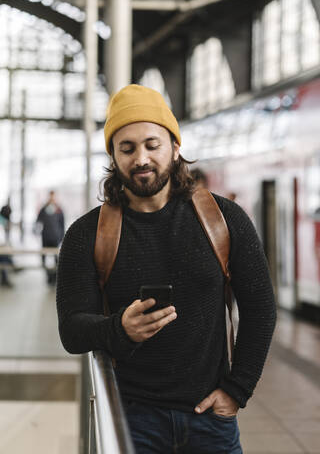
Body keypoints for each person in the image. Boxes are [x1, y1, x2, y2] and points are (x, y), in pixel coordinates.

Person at [56, 84, 276, 454]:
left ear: (175, 148)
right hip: (131, 418)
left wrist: (238, 389)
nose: (141, 158)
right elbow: (72, 330)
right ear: (113, 155)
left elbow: (260, 309)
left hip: (210, 420)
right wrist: (120, 329)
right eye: (127, 148)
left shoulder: (224, 220)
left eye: (152, 145)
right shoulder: (86, 234)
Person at [36, 191, 64, 285]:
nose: (52, 198)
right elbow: (38, 221)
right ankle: (48, 276)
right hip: (45, 237)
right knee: (44, 258)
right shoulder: (44, 209)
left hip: (55, 237)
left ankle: (55, 277)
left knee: (56, 259)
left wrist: (61, 237)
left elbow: (62, 224)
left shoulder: (59, 209)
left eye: (53, 196)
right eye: (50, 196)